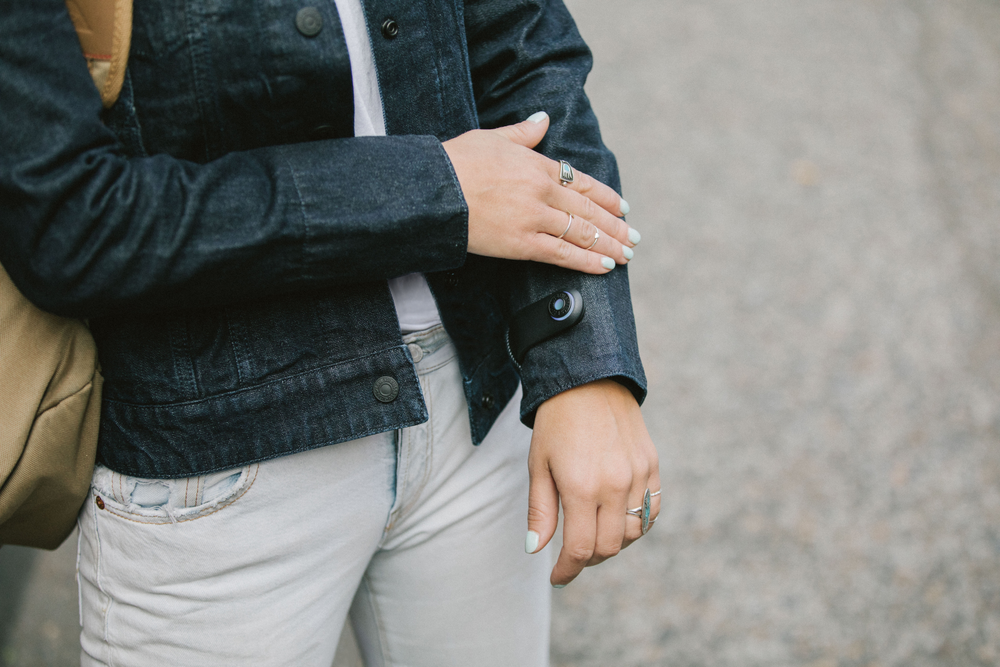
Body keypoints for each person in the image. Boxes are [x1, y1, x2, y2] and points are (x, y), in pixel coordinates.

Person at [0, 0, 659, 664]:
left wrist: (581, 359)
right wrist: (431, 192)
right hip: (219, 464)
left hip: (472, 410)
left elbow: (522, 44)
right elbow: (70, 221)